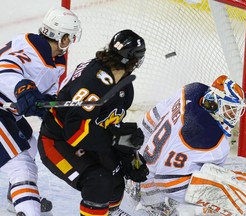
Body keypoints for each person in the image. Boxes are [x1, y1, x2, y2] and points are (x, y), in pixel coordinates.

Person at [37, 29, 149, 216]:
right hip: (56, 142)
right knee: (99, 181)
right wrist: (114, 139)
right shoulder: (93, 83)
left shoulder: (123, 84)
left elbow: (108, 123)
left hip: (85, 136)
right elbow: (74, 132)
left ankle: (105, 212)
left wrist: (128, 155)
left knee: (116, 181)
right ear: (133, 60)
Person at [118, 75, 246, 215]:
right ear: (215, 102)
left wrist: (135, 155)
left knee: (116, 208)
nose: (233, 115)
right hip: (152, 188)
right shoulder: (213, 141)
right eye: (230, 108)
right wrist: (203, 197)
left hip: (134, 168)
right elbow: (166, 181)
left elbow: (149, 121)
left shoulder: (190, 91)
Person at [0, 6, 82, 216]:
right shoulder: (29, 47)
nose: (69, 43)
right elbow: (4, 69)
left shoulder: (56, 62)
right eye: (69, 37)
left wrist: (48, 106)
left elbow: (44, 95)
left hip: (8, 113)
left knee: (29, 145)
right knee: (22, 166)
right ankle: (28, 209)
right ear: (62, 38)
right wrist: (22, 87)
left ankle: (15, 197)